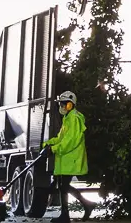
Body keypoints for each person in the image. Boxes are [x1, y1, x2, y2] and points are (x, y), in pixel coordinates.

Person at [40, 90, 85, 222]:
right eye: (61, 104)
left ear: (70, 105)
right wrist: (47, 144)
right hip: (66, 158)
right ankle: (68, 213)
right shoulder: (68, 118)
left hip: (71, 158)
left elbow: (70, 141)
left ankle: (71, 212)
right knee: (63, 186)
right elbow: (61, 138)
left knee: (64, 186)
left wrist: (53, 149)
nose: (62, 106)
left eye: (64, 104)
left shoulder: (75, 118)